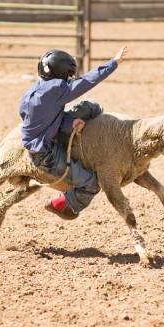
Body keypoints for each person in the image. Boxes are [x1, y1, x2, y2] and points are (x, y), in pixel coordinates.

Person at [20, 46, 128, 220]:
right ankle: (61, 205)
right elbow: (87, 81)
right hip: (46, 155)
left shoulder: (31, 92)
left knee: (90, 107)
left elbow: (42, 117)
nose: (69, 79)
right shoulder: (57, 90)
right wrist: (113, 63)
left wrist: (69, 123)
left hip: (39, 142)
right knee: (92, 184)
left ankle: (81, 136)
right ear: (62, 74)